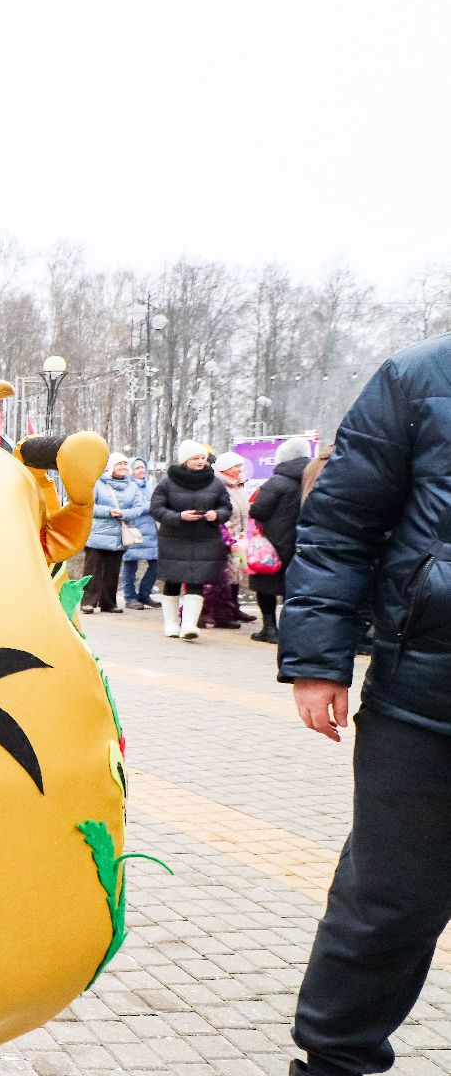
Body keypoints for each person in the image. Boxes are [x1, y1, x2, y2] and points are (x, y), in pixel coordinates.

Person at [280, 337, 451, 1076]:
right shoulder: (419, 378)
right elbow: (340, 526)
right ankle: (336, 1060)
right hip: (426, 693)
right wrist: (319, 662)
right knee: (389, 900)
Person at [148, 439, 231, 640]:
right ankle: (171, 624)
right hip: (174, 538)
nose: (200, 461)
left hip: (205, 539)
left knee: (197, 581)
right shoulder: (167, 483)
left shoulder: (215, 482)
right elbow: (156, 509)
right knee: (173, 581)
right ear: (185, 460)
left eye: (203, 458)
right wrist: (179, 516)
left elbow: (226, 507)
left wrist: (216, 515)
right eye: (196, 458)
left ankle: (189, 625)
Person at [248, 437, 311, 644]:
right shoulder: (314, 478)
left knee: (265, 585)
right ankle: (290, 631)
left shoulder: (276, 482)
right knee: (292, 588)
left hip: (273, 545)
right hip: (303, 541)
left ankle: (269, 629)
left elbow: (258, 510)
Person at [82, 453, 144, 614]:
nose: (123, 467)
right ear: (111, 467)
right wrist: (109, 511)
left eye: (125, 464)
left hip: (118, 534)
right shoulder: (98, 483)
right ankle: (88, 602)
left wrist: (124, 513)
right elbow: (89, 506)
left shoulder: (132, 486)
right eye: (119, 464)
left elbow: (139, 508)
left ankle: (109, 602)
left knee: (113, 571)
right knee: (92, 570)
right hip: (97, 533)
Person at [203, 451, 257, 629]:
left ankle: (234, 607)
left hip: (240, 539)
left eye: (240, 466)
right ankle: (218, 612)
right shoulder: (217, 484)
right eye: (236, 466)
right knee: (224, 576)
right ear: (226, 467)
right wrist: (227, 535)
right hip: (224, 537)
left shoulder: (239, 484)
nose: (239, 469)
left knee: (237, 573)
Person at [121, 457, 160, 608]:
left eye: (142, 467)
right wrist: (149, 506)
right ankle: (130, 597)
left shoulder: (150, 486)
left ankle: (144, 594)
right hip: (133, 530)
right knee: (130, 565)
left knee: (156, 564)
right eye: (137, 468)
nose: (141, 470)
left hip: (150, 531)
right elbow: (129, 507)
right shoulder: (127, 486)